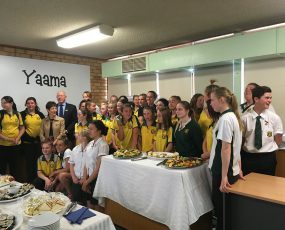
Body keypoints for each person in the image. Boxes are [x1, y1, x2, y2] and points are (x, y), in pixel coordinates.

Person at [208, 87, 243, 230]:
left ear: (222, 100)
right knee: (225, 209)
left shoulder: (226, 119)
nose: (210, 104)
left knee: (222, 210)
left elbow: (226, 148)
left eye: (212, 100)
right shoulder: (231, 116)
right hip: (230, 170)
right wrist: (238, 168)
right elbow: (236, 146)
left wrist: (223, 177)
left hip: (223, 172)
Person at [241, 86, 283, 176]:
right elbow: (241, 139)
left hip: (268, 158)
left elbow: (278, 139)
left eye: (270, 98)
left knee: (267, 186)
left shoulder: (274, 118)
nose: (269, 100)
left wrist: (270, 151)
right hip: (249, 158)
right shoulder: (245, 118)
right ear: (256, 99)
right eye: (267, 98)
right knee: (248, 186)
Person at [82, 120, 109, 209]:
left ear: (99, 131)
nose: (89, 131)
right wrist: (85, 178)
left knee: (97, 207)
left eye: (91, 129)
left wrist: (87, 182)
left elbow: (98, 168)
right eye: (88, 129)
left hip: (97, 179)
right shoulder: (90, 143)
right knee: (89, 204)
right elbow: (86, 163)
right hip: (89, 178)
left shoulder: (103, 145)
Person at [0, 96, 25, 181]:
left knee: (15, 167)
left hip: (16, 145)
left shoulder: (17, 114)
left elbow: (22, 128)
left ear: (11, 103)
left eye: (4, 102)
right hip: (3, 145)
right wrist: (9, 139)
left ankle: (15, 185)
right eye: (1, 102)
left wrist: (18, 138)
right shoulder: (1, 113)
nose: (2, 104)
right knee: (2, 167)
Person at [20, 97, 45, 182]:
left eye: (32, 103)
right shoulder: (22, 114)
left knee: (38, 164)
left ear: (35, 104)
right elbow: (20, 128)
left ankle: (38, 183)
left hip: (38, 144)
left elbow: (44, 127)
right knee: (29, 165)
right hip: (27, 144)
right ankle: (30, 183)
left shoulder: (40, 114)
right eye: (28, 103)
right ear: (26, 104)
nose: (30, 105)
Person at [69, 130, 91, 204]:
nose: (76, 136)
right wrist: (73, 177)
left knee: (86, 202)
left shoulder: (91, 150)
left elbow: (90, 166)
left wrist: (84, 178)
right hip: (76, 179)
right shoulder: (75, 149)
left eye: (79, 135)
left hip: (86, 180)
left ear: (84, 138)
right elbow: (71, 164)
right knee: (76, 201)